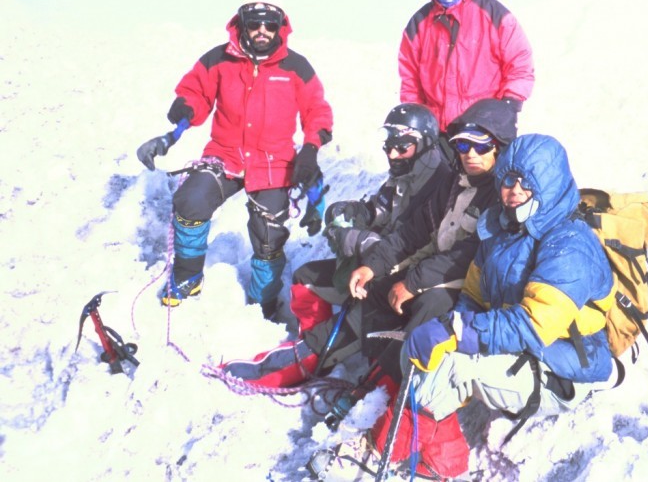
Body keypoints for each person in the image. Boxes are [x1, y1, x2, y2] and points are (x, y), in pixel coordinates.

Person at [219, 98, 517, 397]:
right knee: (326, 284)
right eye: (463, 146)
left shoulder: (495, 194)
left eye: (480, 146)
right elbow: (412, 231)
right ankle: (320, 357)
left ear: (499, 148)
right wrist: (371, 261)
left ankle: (379, 393)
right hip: (420, 271)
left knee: (401, 313)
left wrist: (406, 278)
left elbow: (467, 255)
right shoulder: (455, 182)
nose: (470, 154)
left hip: (454, 287)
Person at [366, 134, 617, 479]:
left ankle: (392, 452)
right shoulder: (501, 229)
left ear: (550, 183)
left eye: (527, 182)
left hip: (562, 365)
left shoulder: (570, 247)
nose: (513, 190)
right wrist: (452, 326)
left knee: (454, 365)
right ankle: (434, 451)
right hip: (523, 351)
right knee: (439, 354)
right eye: (508, 179)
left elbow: (531, 326)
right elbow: (473, 295)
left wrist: (457, 333)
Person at [136, 0, 333, 318]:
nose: (261, 31)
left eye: (270, 24)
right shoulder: (219, 59)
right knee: (191, 200)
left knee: (269, 236)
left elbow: (318, 111)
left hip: (273, 163)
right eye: (254, 23)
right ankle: (186, 279)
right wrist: (185, 109)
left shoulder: (296, 67)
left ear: (281, 26)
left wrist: (311, 149)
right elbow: (196, 92)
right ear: (241, 23)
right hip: (224, 155)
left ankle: (264, 299)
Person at [290, 103, 452, 347]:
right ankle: (313, 347)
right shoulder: (403, 174)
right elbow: (379, 210)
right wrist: (352, 213)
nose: (392, 154)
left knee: (357, 322)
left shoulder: (440, 186)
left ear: (425, 144)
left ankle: (315, 352)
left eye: (402, 147)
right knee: (304, 279)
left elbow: (421, 245)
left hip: (396, 278)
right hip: (373, 264)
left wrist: (364, 243)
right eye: (389, 145)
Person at [398, 0, 534, 136]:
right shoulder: (419, 24)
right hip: (437, 131)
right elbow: (410, 80)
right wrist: (417, 119)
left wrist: (508, 106)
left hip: (485, 130)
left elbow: (520, 63)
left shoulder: (492, 14)